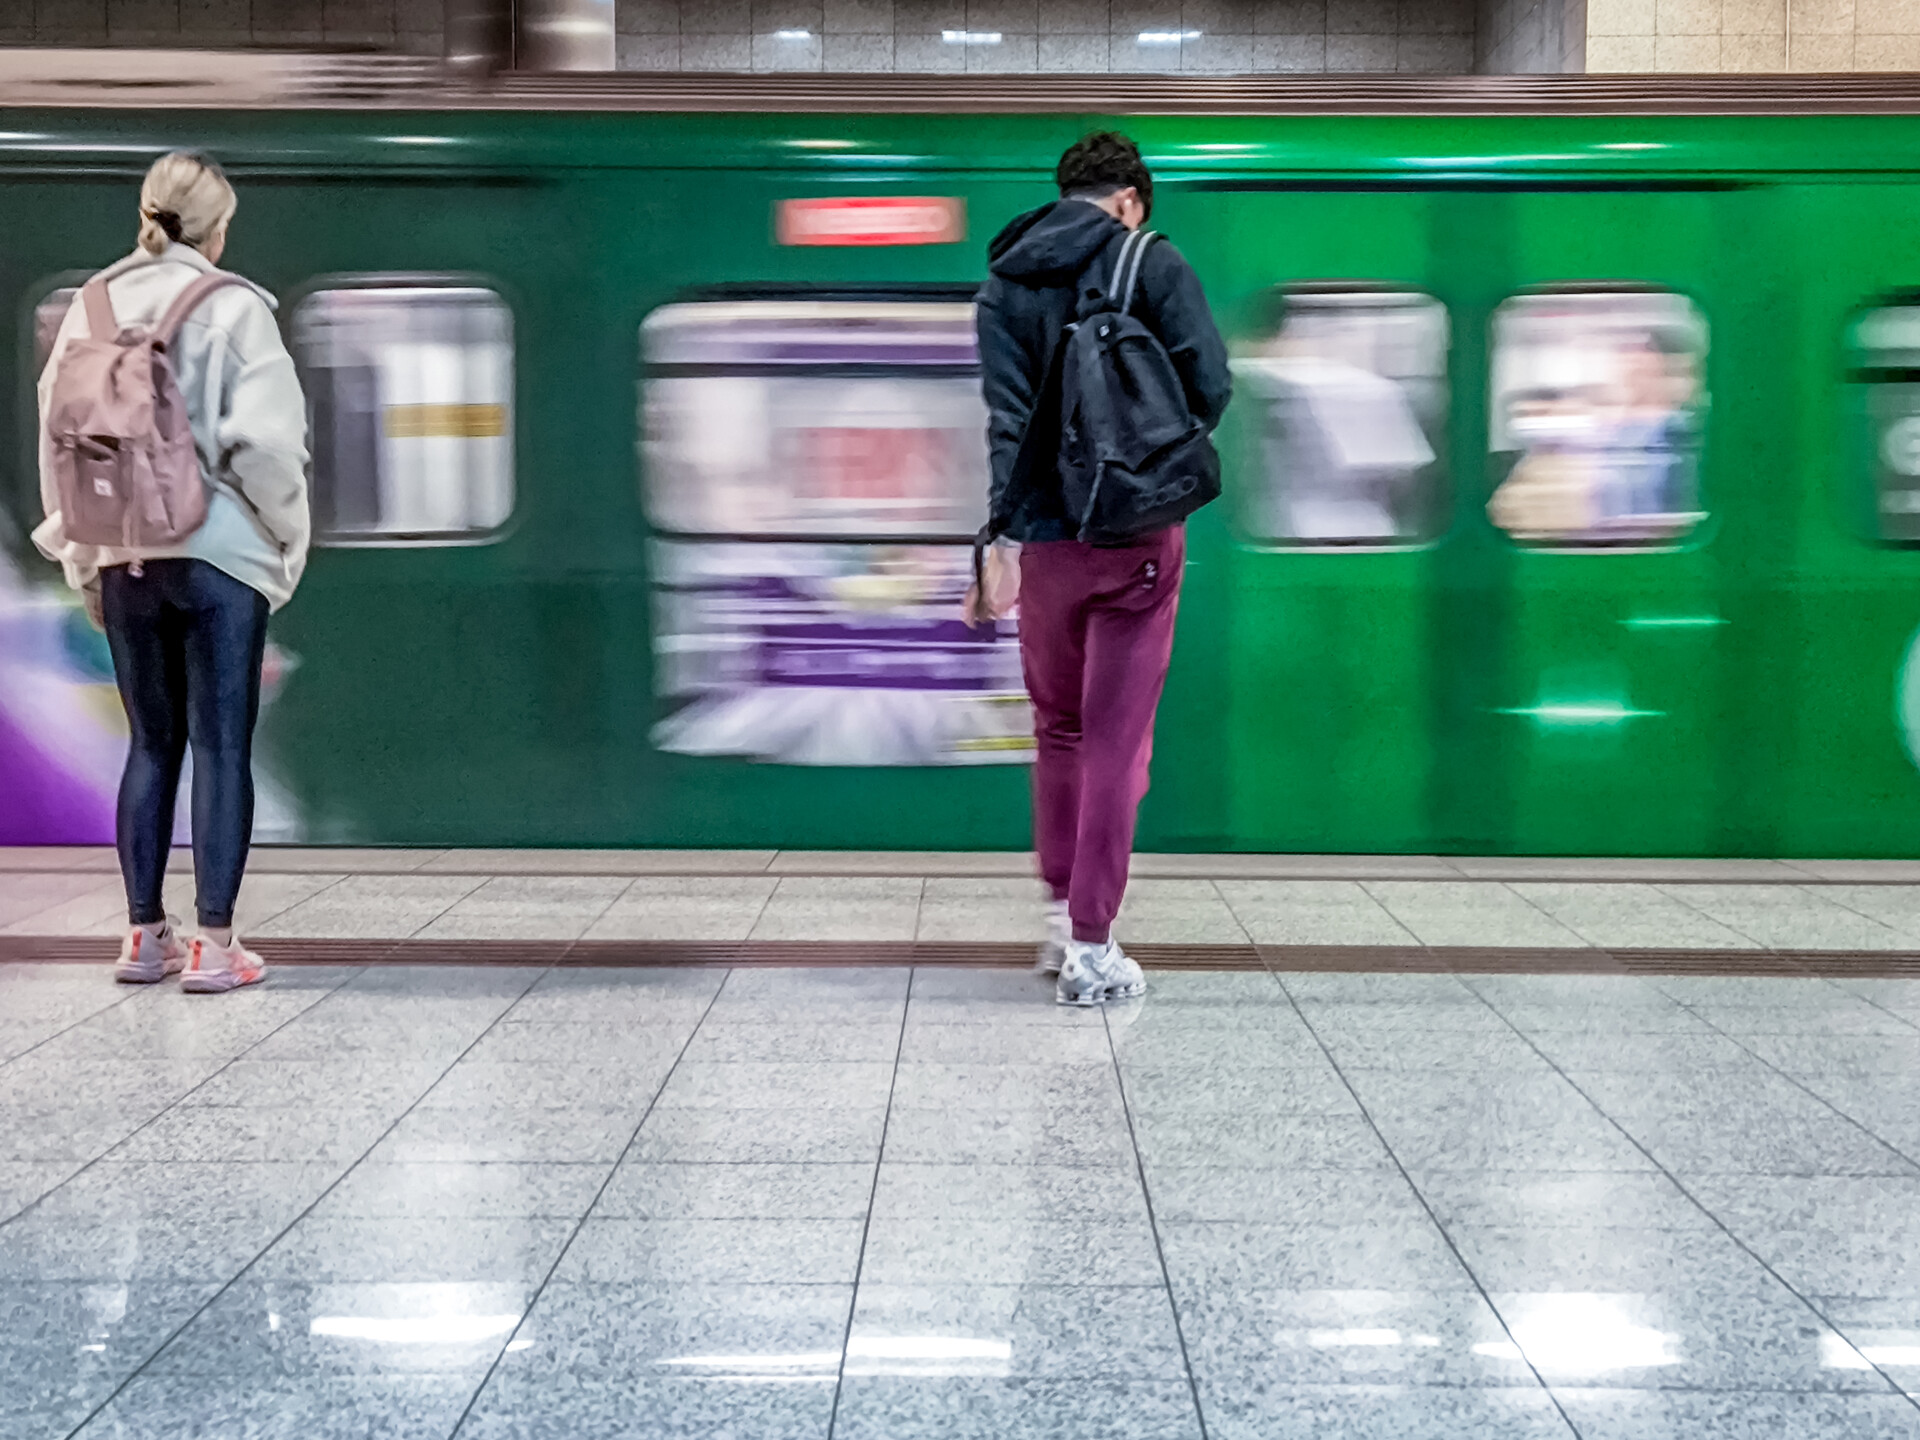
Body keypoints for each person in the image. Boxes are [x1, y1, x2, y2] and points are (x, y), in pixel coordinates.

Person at [34, 150, 310, 992]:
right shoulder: (235, 307)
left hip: (123, 557)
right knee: (222, 748)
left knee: (151, 746)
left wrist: (84, 558)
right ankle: (217, 947)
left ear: (146, 216)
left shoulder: (89, 307)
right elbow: (267, 447)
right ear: (217, 230)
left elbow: (59, 446)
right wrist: (285, 543)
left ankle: (143, 937)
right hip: (221, 556)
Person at [970, 132, 1231, 1006]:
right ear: (1129, 199)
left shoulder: (1005, 278)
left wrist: (1002, 541)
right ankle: (1092, 946)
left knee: (1060, 729)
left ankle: (1059, 918)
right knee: (1119, 741)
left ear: (1065, 194)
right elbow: (1211, 385)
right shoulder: (1148, 260)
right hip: (1135, 539)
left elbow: (1007, 423)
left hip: (1045, 542)